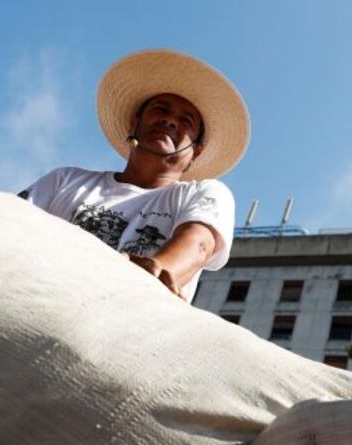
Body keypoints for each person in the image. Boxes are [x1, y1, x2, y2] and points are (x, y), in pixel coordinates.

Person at [20, 49, 250, 301]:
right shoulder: (65, 181)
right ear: (134, 124)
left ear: (196, 151)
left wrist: (156, 272)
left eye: (186, 121)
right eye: (160, 109)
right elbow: (11, 222)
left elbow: (198, 245)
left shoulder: (204, 194)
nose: (170, 121)